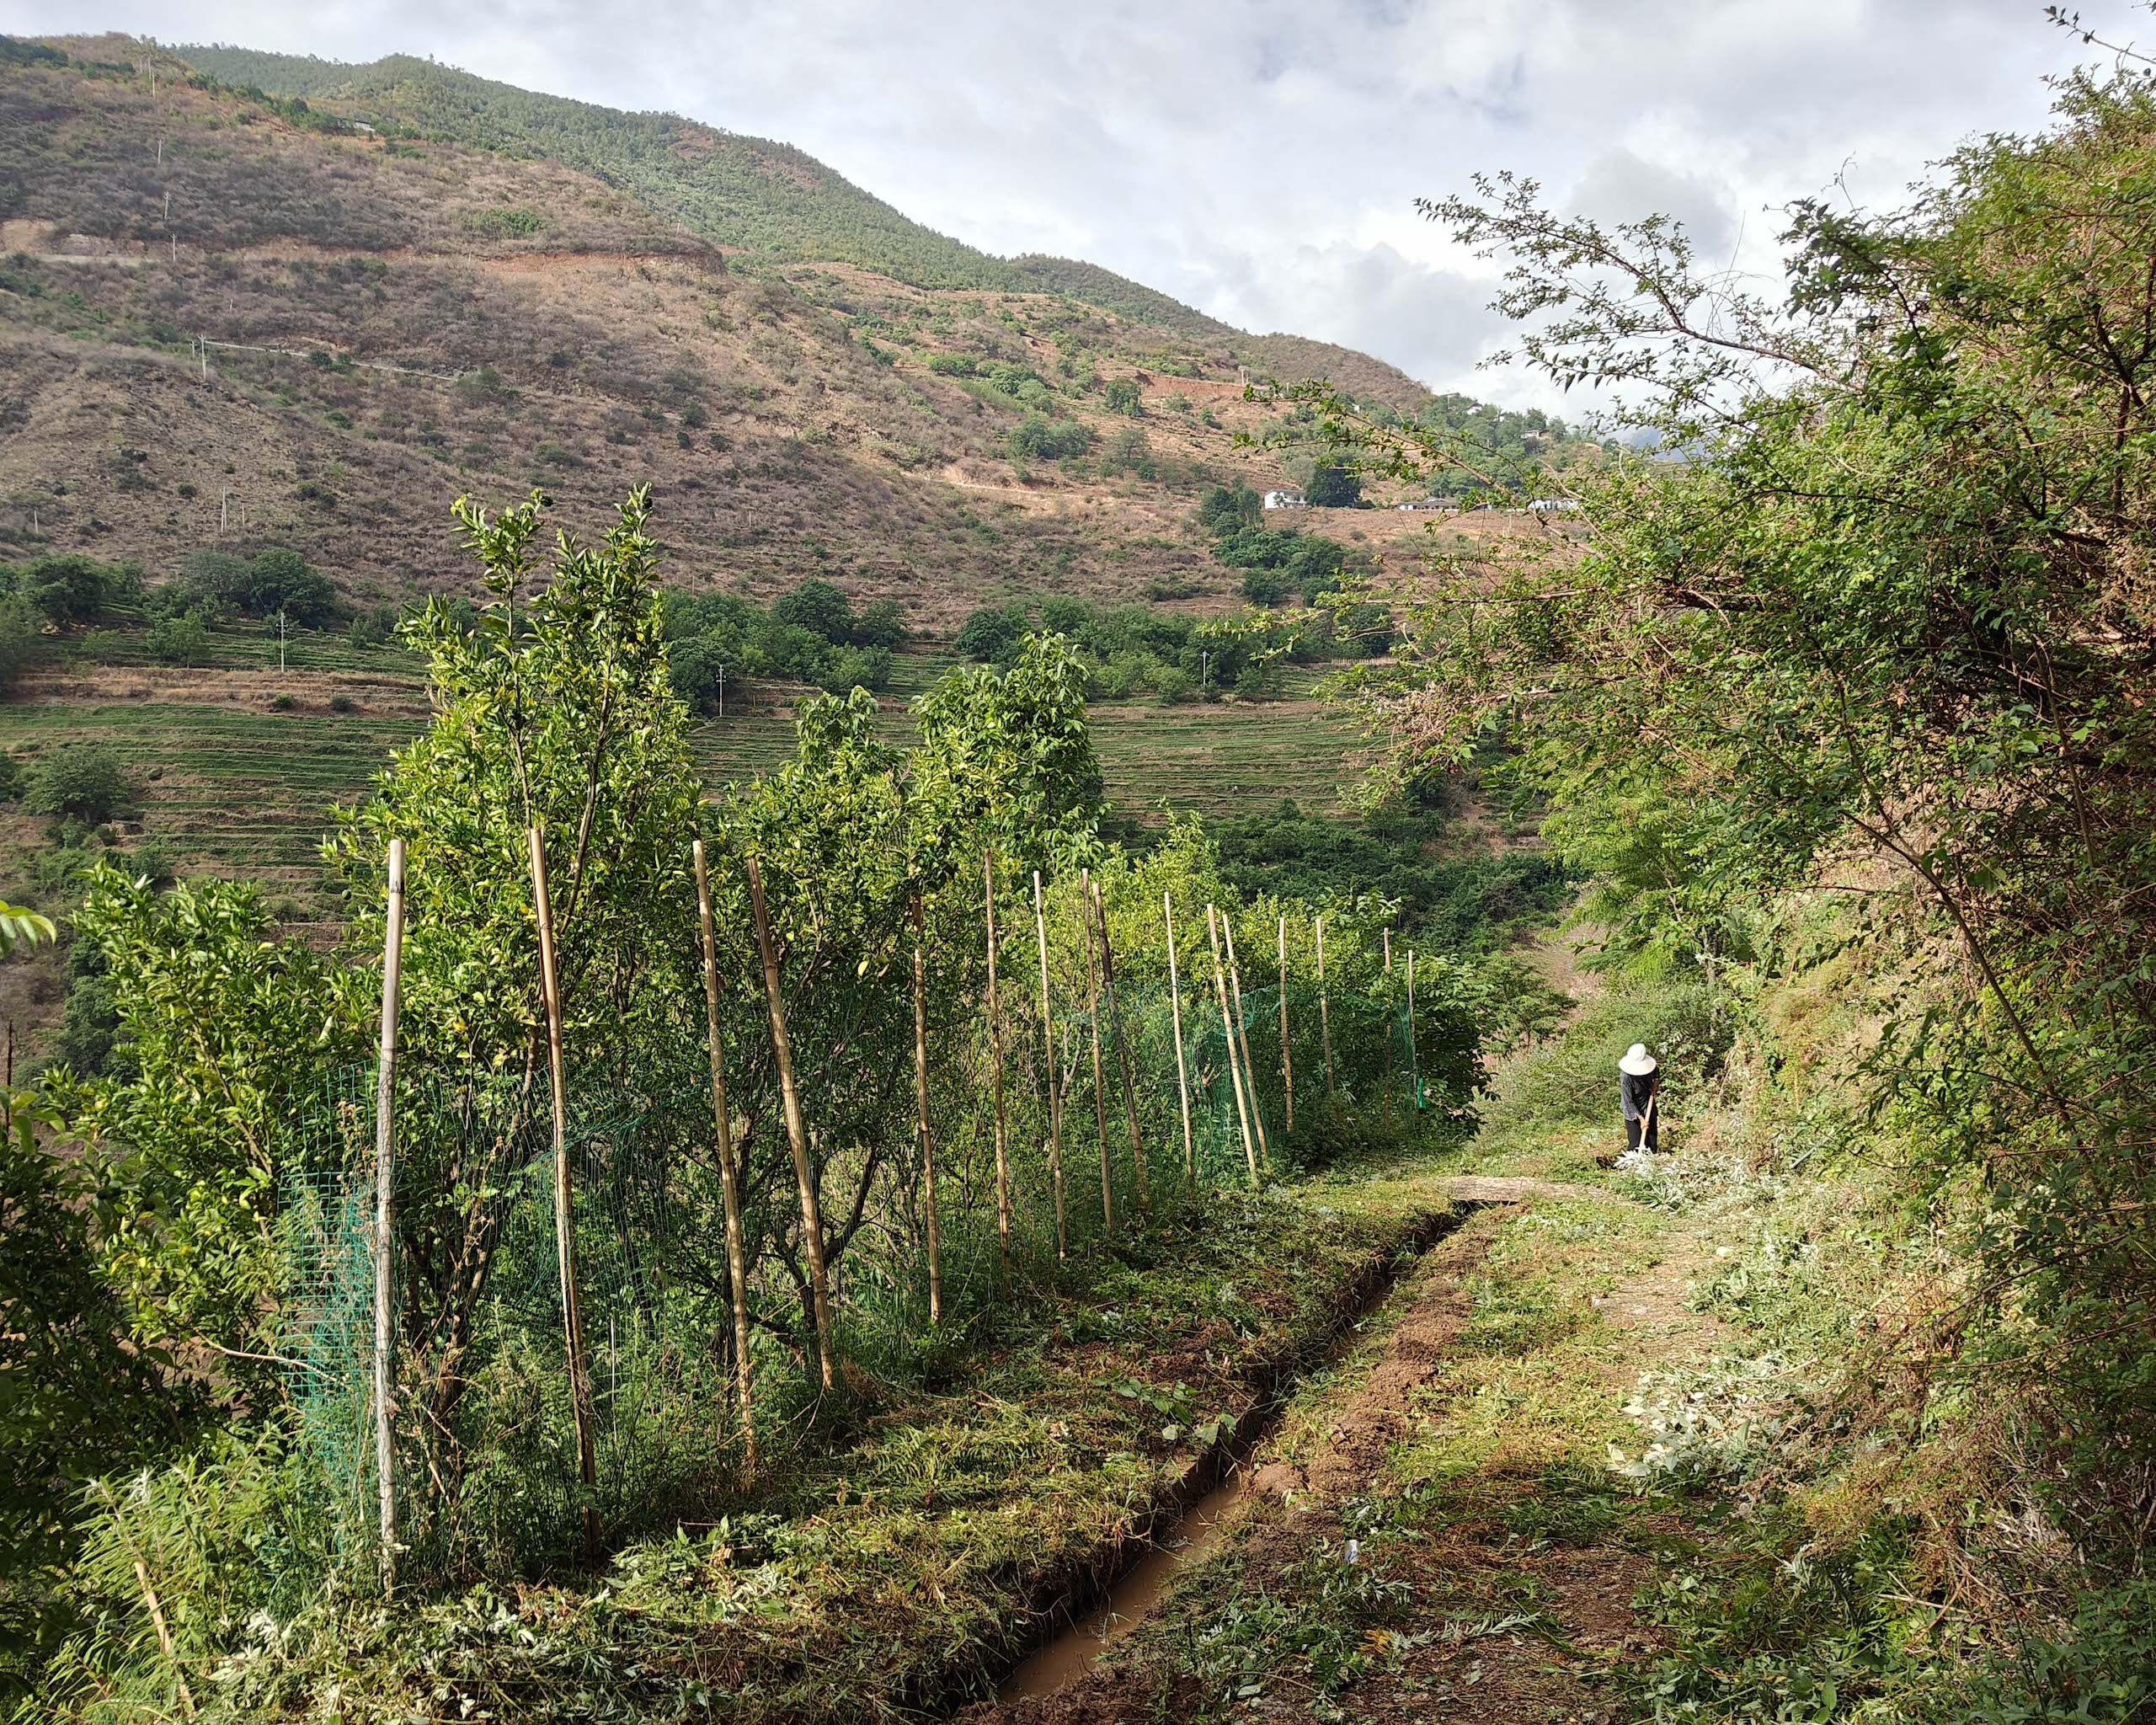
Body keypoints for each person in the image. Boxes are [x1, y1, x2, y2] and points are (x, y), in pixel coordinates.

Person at [1619, 1043, 1660, 1157]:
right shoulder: (1625, 1077)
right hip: (1632, 1110)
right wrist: (1641, 1119)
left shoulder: (1650, 1067)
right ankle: (1631, 1164)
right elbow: (1628, 1101)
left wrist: (1656, 1082)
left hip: (1648, 1104)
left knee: (1652, 1140)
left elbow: (1656, 1071)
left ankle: (1652, 1160)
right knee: (1636, 1143)